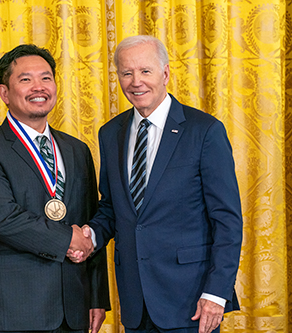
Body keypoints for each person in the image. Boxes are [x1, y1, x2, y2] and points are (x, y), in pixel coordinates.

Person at [71, 35, 243, 333]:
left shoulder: (204, 131)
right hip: (136, 301)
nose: (136, 82)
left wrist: (216, 294)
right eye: (127, 73)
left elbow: (227, 220)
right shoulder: (110, 134)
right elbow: (112, 208)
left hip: (192, 302)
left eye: (145, 71)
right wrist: (89, 236)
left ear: (165, 73)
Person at [0, 44, 110, 333]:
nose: (38, 87)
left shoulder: (77, 150)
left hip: (74, 309)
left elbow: (91, 220)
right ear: (5, 93)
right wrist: (68, 238)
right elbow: (4, 221)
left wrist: (97, 297)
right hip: (12, 310)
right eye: (25, 79)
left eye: (46, 78)